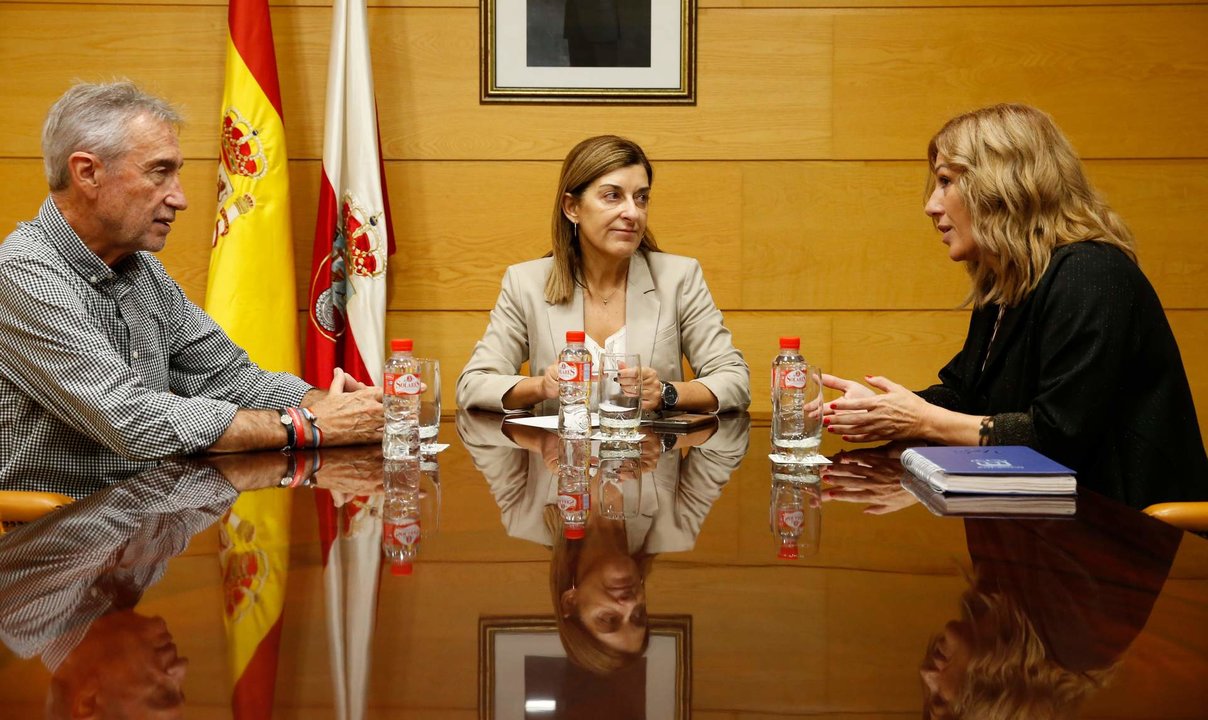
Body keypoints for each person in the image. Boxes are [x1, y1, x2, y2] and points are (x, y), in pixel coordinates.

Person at [0, 81, 382, 491]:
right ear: (87, 172)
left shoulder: (142, 270)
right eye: (159, 172)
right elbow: (131, 420)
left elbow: (231, 380)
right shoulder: (21, 274)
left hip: (143, 525)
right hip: (55, 540)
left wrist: (335, 406)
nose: (180, 199)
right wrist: (308, 424)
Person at [822, 103, 1208, 509]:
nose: (931, 205)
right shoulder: (1009, 278)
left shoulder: (1090, 273)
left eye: (945, 182)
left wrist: (921, 419)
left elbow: (1055, 439)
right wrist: (876, 410)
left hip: (1129, 532)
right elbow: (965, 398)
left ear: (1002, 185)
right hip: (1041, 518)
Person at [456, 134, 750, 417]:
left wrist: (666, 393)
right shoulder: (526, 283)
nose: (632, 213)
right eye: (613, 196)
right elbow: (473, 385)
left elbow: (734, 381)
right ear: (572, 207)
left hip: (649, 463)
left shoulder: (678, 278)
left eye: (641, 198)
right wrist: (541, 387)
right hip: (560, 462)